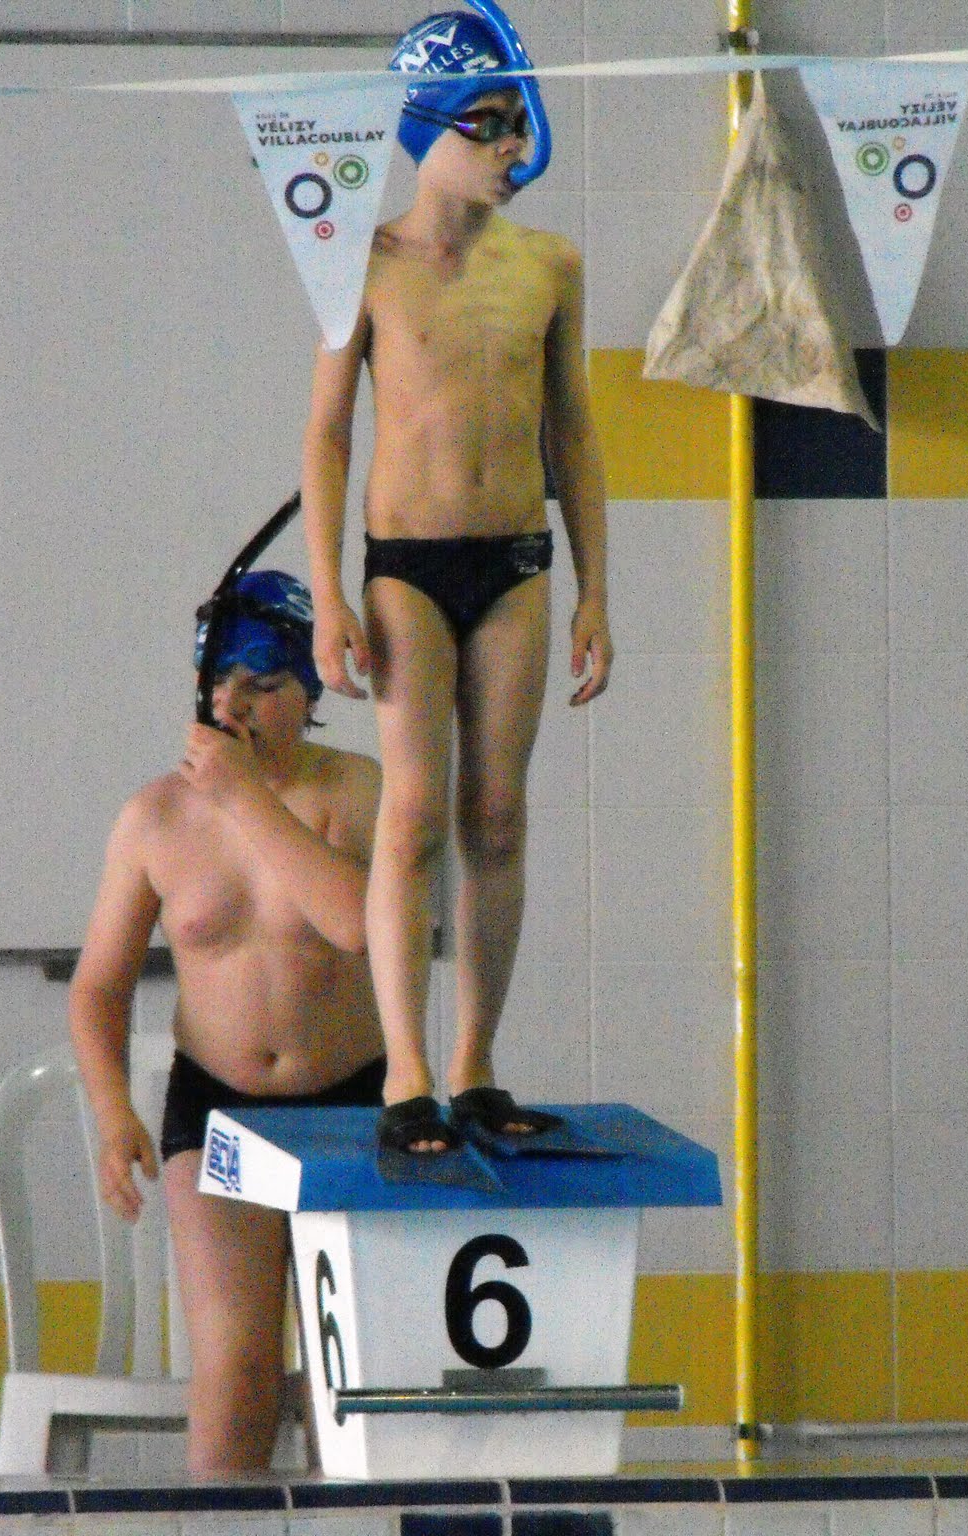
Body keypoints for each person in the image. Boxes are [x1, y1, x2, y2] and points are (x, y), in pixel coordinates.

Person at [302, 1, 611, 1159]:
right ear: (424, 130)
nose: (509, 147)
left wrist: (595, 588)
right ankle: (408, 1073)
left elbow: (572, 433)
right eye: (485, 124)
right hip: (407, 571)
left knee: (498, 814)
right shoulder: (361, 266)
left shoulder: (549, 265)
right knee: (413, 815)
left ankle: (474, 1064)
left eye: (514, 123)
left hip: (517, 563)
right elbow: (326, 434)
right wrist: (328, 594)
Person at [66, 569, 384, 1474]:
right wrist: (113, 1111)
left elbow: (356, 924)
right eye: (219, 685)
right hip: (219, 1112)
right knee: (237, 1367)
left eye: (263, 685)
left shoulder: (357, 792)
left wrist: (248, 797)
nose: (234, 706)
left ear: (311, 694)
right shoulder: (156, 818)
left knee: (347, 1376)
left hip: (349, 1106)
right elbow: (97, 989)